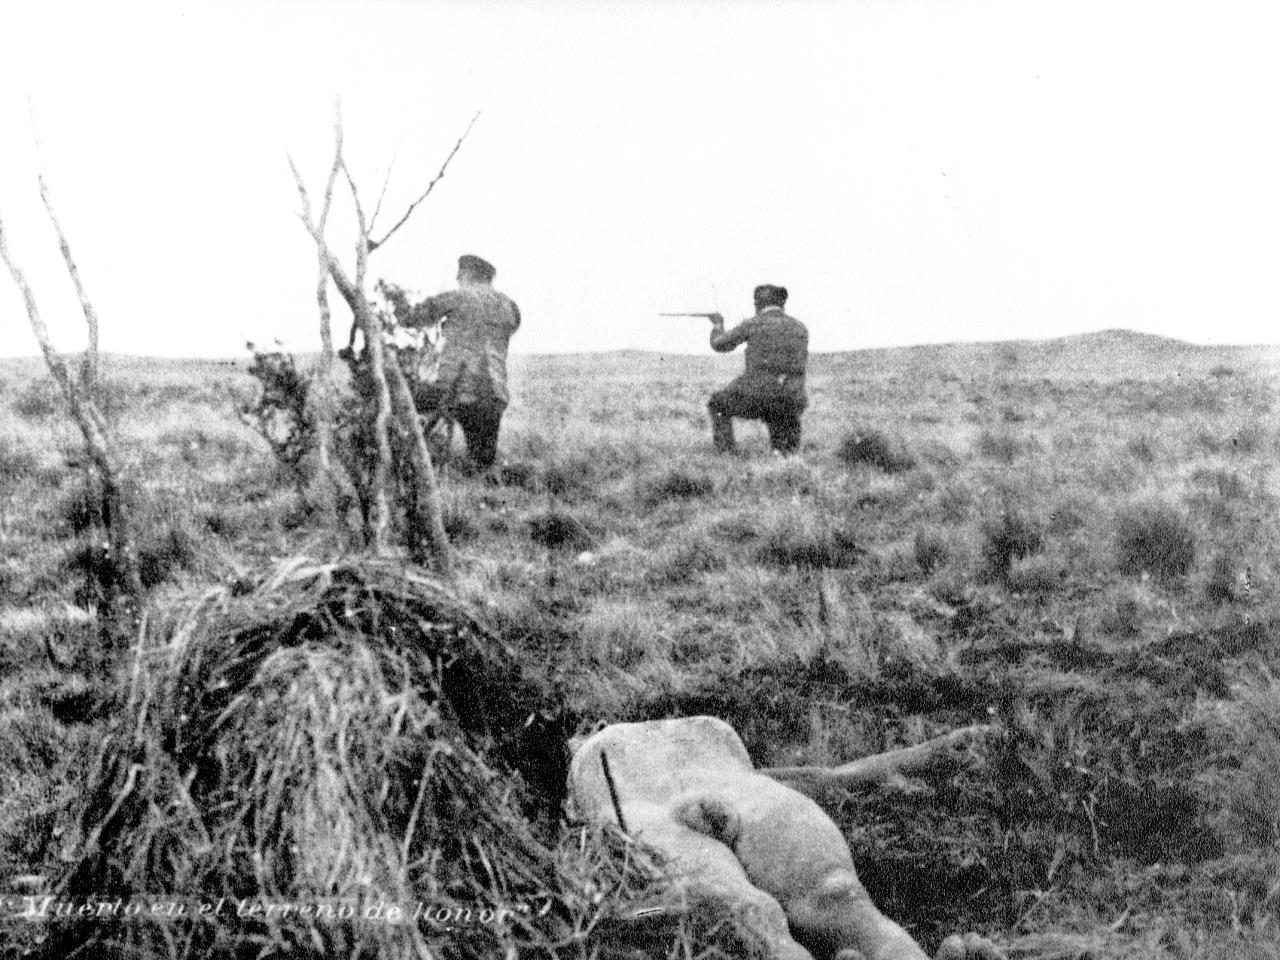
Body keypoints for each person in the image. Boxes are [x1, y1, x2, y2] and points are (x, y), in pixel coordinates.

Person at [404, 254, 521, 469]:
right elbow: (512, 326)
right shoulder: (509, 306)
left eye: (460, 276)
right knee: (483, 465)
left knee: (402, 399)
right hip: (494, 396)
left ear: (466, 274)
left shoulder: (459, 297)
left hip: (456, 390)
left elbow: (412, 317)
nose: (458, 280)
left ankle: (407, 459)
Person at [706, 284, 809, 455]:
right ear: (782, 303)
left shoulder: (753, 324)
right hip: (792, 398)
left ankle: (727, 454)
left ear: (758, 304)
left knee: (717, 403)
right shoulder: (800, 328)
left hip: (758, 396)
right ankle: (786, 457)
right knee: (785, 450)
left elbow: (719, 344)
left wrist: (718, 324)